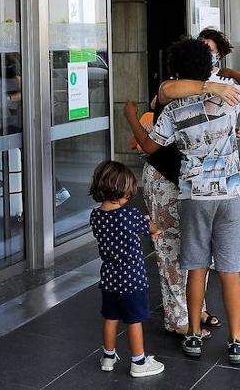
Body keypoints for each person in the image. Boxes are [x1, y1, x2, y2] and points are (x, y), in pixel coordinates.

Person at [146, 39, 240, 365]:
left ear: (175, 69)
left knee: (195, 268)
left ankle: (193, 335)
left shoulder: (172, 108)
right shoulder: (229, 98)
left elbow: (153, 146)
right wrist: (227, 77)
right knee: (230, 270)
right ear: (208, 66)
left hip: (193, 196)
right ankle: (237, 340)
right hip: (231, 196)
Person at [124, 99, 216, 340]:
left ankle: (196, 308)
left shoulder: (207, 96)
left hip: (193, 180)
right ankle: (179, 318)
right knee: (171, 250)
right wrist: (134, 117)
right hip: (166, 178)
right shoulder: (176, 99)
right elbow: (142, 145)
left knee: (197, 247)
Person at [88, 160, 165, 377]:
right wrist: (153, 228)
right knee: (134, 320)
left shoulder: (96, 216)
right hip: (132, 279)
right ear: (121, 191)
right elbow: (151, 227)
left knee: (111, 318)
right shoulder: (129, 215)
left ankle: (108, 357)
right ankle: (139, 362)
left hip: (110, 278)